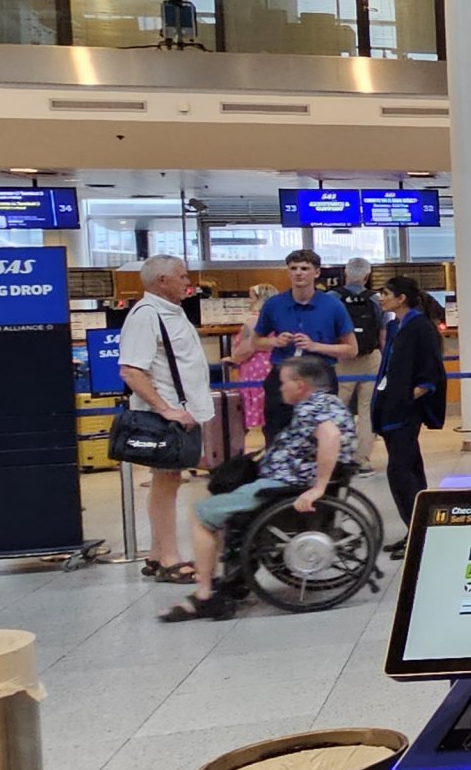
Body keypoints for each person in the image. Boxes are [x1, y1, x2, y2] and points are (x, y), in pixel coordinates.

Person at [160, 354, 349, 622]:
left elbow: (330, 436)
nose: (278, 388)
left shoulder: (313, 409)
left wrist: (318, 488)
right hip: (284, 481)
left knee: (201, 514)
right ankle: (232, 577)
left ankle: (205, 594)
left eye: (283, 383)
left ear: (300, 384)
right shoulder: (329, 404)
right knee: (226, 497)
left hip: (283, 486)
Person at [116, 253, 216, 583]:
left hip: (182, 415)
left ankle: (157, 553)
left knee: (166, 481)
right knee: (166, 481)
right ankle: (170, 558)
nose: (189, 282)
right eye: (183, 277)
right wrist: (165, 408)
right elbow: (131, 370)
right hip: (167, 418)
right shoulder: (146, 315)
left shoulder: (171, 313)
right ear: (162, 281)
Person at [250, 249, 356, 445]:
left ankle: (320, 472)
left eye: (305, 268)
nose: (299, 273)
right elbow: (256, 341)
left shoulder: (333, 306)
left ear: (316, 273)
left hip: (319, 375)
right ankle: (278, 470)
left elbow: (351, 349)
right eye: (294, 268)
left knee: (320, 430)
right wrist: (274, 341)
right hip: (282, 376)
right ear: (288, 272)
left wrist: (316, 346)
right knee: (277, 429)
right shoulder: (273, 305)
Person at [370, 276, 446, 544]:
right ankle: (417, 528)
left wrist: (405, 397)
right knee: (408, 468)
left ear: (401, 298)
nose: (381, 298)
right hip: (390, 407)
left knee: (401, 471)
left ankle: (419, 531)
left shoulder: (419, 327)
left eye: (385, 293)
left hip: (403, 411)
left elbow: (430, 372)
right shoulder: (395, 326)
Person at [337, 256, 383, 465]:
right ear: (367, 276)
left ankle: (337, 457)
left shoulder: (331, 298)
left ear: (346, 273)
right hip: (370, 357)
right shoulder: (376, 299)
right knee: (367, 410)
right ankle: (362, 459)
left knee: (337, 407)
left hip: (341, 357)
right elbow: (383, 334)